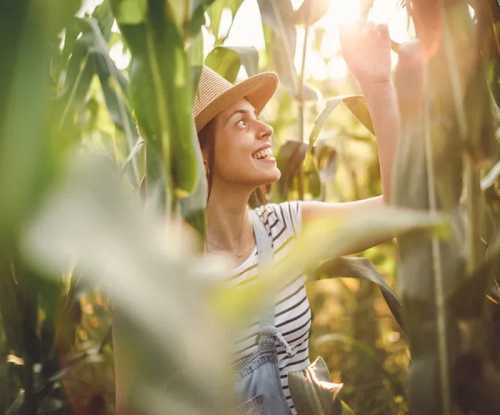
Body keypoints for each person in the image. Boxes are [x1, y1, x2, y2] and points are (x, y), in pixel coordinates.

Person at [194, 22, 400, 415]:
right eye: (241, 122)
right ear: (201, 154)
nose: (265, 128)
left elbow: (395, 212)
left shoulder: (285, 227)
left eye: (258, 116)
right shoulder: (173, 269)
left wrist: (377, 85)